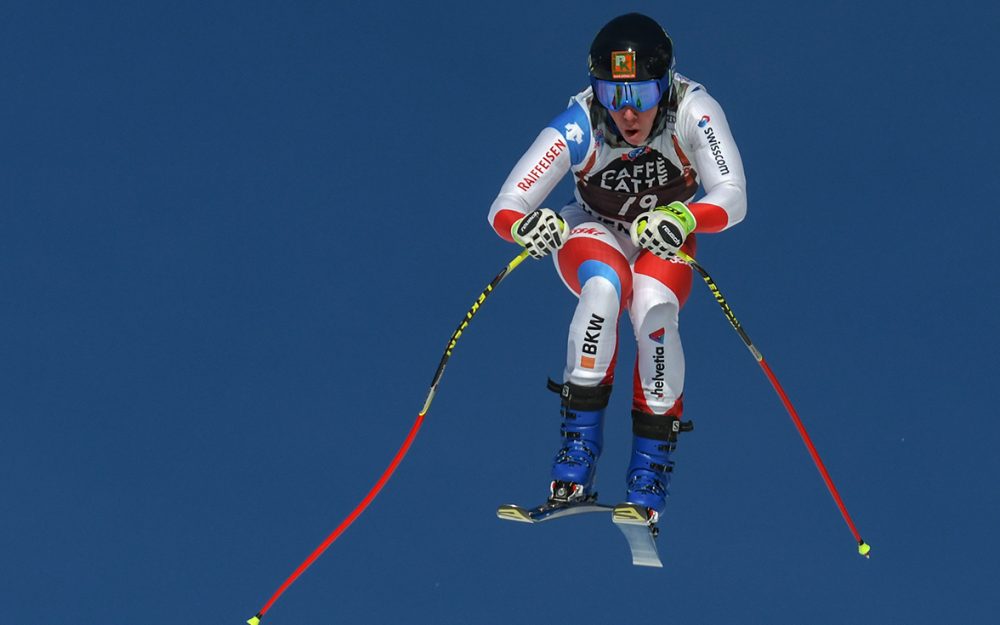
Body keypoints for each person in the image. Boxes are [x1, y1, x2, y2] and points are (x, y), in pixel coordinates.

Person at [488, 13, 747, 527]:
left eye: (643, 96)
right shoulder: (580, 123)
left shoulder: (694, 111)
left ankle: (650, 475)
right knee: (605, 290)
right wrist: (525, 227)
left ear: (666, 87)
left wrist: (684, 215)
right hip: (593, 227)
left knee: (653, 309)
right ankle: (574, 463)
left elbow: (733, 197)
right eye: (612, 95)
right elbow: (506, 203)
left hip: (663, 235)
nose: (627, 114)